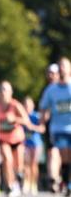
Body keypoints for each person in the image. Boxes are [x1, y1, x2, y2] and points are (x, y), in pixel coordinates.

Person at [0, 81, 41, 197]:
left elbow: (26, 121)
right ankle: (10, 185)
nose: (3, 92)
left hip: (17, 138)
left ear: (10, 92)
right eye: (1, 90)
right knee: (7, 160)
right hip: (3, 138)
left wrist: (14, 118)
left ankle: (18, 180)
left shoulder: (16, 105)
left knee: (18, 165)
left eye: (6, 90)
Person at [39, 56, 71, 196]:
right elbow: (43, 107)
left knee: (68, 156)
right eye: (60, 66)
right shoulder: (51, 90)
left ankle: (66, 181)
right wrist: (42, 121)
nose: (62, 68)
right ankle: (63, 181)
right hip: (58, 128)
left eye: (65, 65)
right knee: (62, 155)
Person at [38, 62, 60, 190]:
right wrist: (42, 121)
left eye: (54, 73)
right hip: (51, 126)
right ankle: (53, 179)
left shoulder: (65, 87)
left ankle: (60, 177)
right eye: (49, 73)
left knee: (62, 154)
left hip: (65, 126)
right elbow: (43, 108)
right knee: (52, 152)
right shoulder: (47, 90)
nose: (51, 76)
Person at [23, 96, 44, 195]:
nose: (27, 107)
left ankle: (33, 184)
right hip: (25, 144)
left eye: (29, 105)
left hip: (36, 143)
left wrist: (32, 127)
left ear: (32, 106)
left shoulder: (36, 116)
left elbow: (42, 129)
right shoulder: (22, 116)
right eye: (25, 105)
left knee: (34, 164)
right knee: (26, 164)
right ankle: (26, 182)